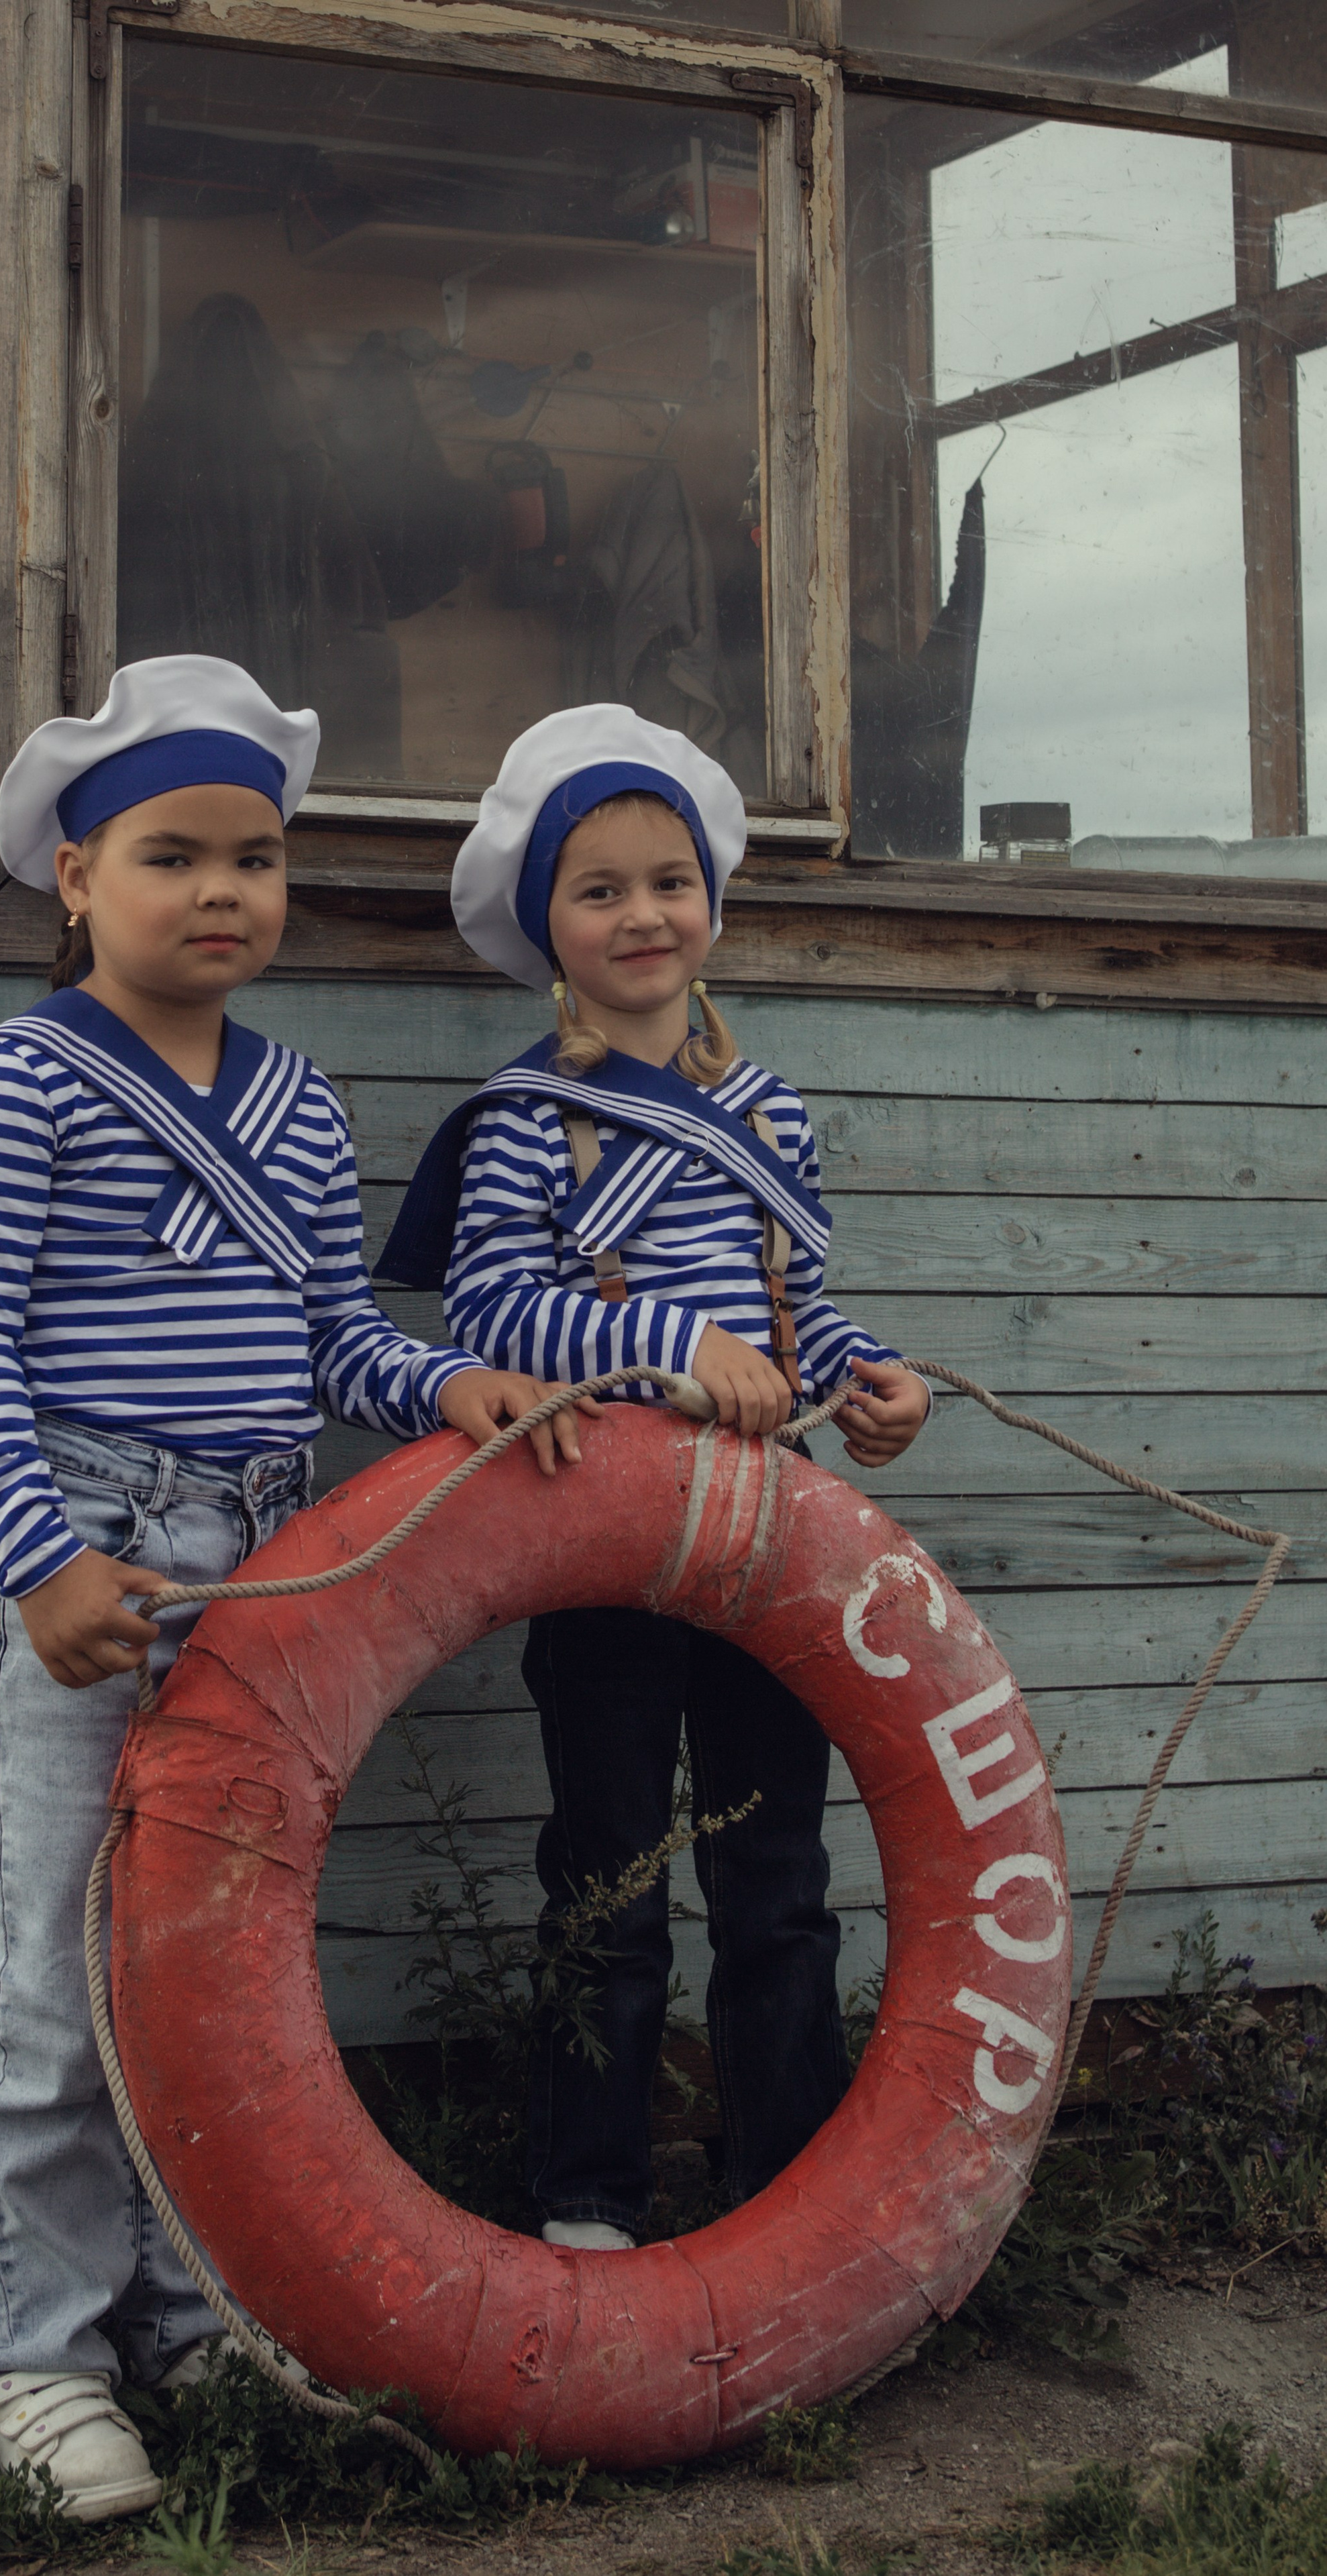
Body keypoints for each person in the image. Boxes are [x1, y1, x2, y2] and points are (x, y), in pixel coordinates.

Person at [0, 657, 582, 2522]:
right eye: (172, 854)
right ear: (75, 877)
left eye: (256, 857)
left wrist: (451, 1385)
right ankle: (37, 2358)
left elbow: (336, 1332)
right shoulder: (17, 1082)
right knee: (47, 1988)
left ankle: (197, 2317)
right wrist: (36, 1564)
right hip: (86, 1560)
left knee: (209, 1967)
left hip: (265, 1567)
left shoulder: (301, 1103)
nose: (223, 892)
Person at [378, 704, 932, 2255]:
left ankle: (786, 2187)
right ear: (545, 925)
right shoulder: (520, 1123)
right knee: (606, 1876)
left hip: (764, 1549)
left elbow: (794, 1310)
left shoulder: (767, 1113)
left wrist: (865, 1377)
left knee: (775, 1879)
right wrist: (671, 1350)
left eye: (667, 880)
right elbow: (485, 1308)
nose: (642, 914)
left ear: (712, 901)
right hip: (602, 1551)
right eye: (600, 887)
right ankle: (587, 2194)